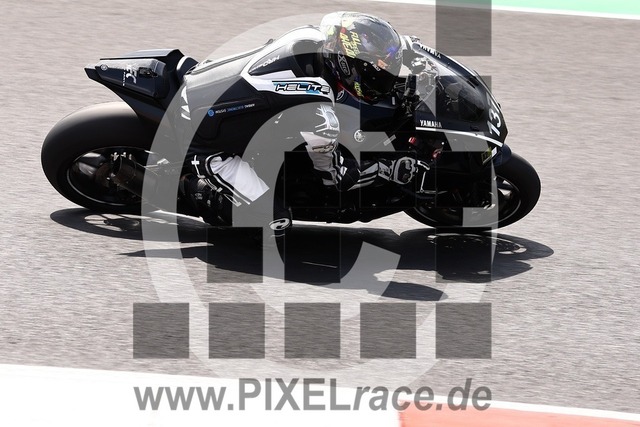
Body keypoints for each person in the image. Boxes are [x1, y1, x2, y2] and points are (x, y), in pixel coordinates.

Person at [177, 11, 431, 240]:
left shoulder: (312, 38)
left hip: (204, 84)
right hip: (204, 140)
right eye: (380, 68)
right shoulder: (318, 110)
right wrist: (388, 169)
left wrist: (404, 49)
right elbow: (336, 176)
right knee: (274, 222)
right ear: (351, 66)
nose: (384, 73)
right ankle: (190, 188)